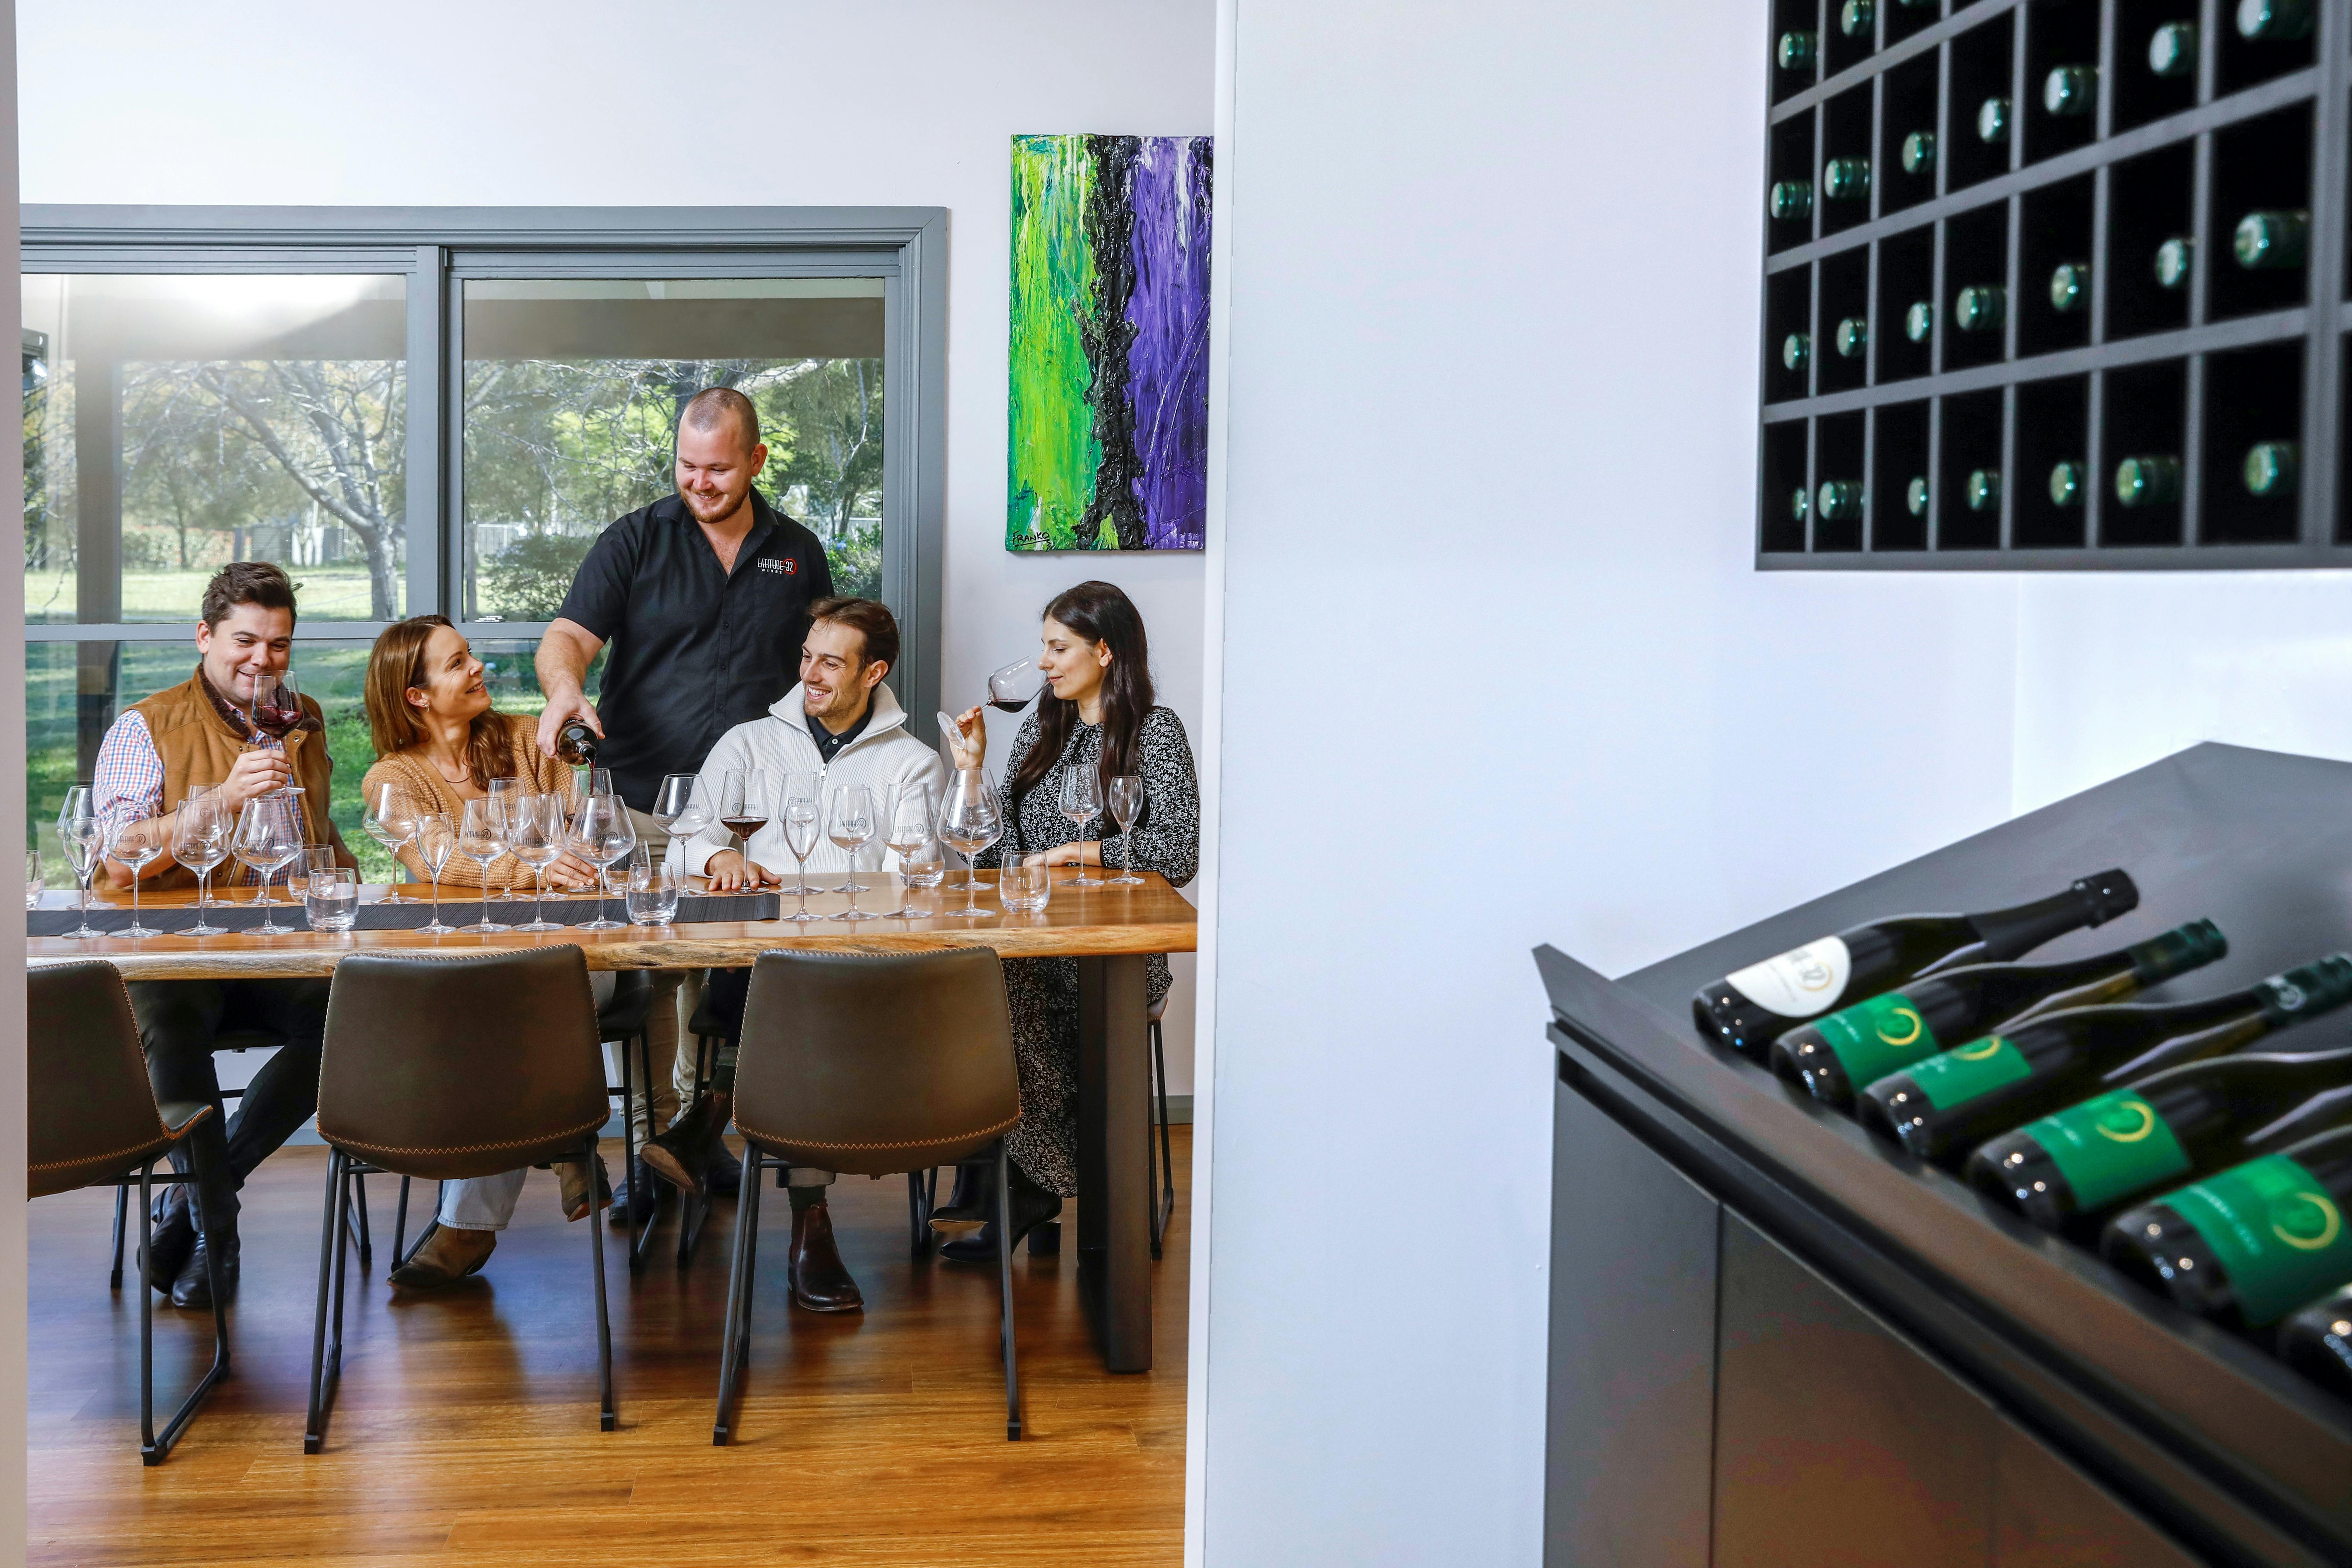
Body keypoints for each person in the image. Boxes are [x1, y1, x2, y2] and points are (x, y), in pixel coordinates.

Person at [533, 387, 835, 1222]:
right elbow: (568, 639)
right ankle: (651, 1151)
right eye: (687, 466)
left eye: (718, 468)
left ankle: (704, 1137)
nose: (699, 483)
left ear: (757, 461)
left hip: (749, 811)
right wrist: (565, 690)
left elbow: (826, 667)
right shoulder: (635, 539)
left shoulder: (798, 553)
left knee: (731, 973)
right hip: (637, 796)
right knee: (646, 972)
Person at [655, 596, 946, 1312]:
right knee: (776, 995)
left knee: (790, 1001)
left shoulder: (914, 764)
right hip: (761, 960)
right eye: (808, 655)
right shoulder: (749, 743)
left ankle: (705, 1120)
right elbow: (684, 840)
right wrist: (722, 851)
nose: (810, 673)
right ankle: (809, 1221)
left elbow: (921, 869)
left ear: (874, 671)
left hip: (860, 968)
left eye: (832, 661)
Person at [91, 562, 359, 1308]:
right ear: (205, 635)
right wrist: (218, 802)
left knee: (355, 1015)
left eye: (278, 644)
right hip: (175, 956)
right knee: (171, 1026)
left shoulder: (299, 716)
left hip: (277, 949)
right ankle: (220, 1231)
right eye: (245, 640)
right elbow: (115, 856)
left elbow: (313, 831)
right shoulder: (145, 727)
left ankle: (204, 1195)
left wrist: (343, 869)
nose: (262, 661)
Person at [944, 581, 1200, 1261]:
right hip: (1036, 940)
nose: (1046, 663)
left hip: (1116, 954)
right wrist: (971, 773)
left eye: (1059, 648)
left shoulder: (1156, 731)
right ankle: (1039, 1176)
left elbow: (1179, 850)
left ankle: (1032, 1179)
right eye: (1044, 648)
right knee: (985, 980)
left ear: (1106, 651)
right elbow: (996, 860)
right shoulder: (1040, 727)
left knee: (1003, 988)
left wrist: (1085, 850)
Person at [357, 615, 613, 1288]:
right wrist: (534, 865)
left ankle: (469, 1227)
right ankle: (564, 1133)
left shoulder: (531, 739)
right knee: (508, 1003)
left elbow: (578, 829)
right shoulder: (392, 779)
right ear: (416, 695)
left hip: (577, 962)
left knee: (525, 1000)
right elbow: (433, 861)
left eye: (471, 657)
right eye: (458, 663)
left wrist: (543, 855)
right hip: (464, 974)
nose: (479, 670)